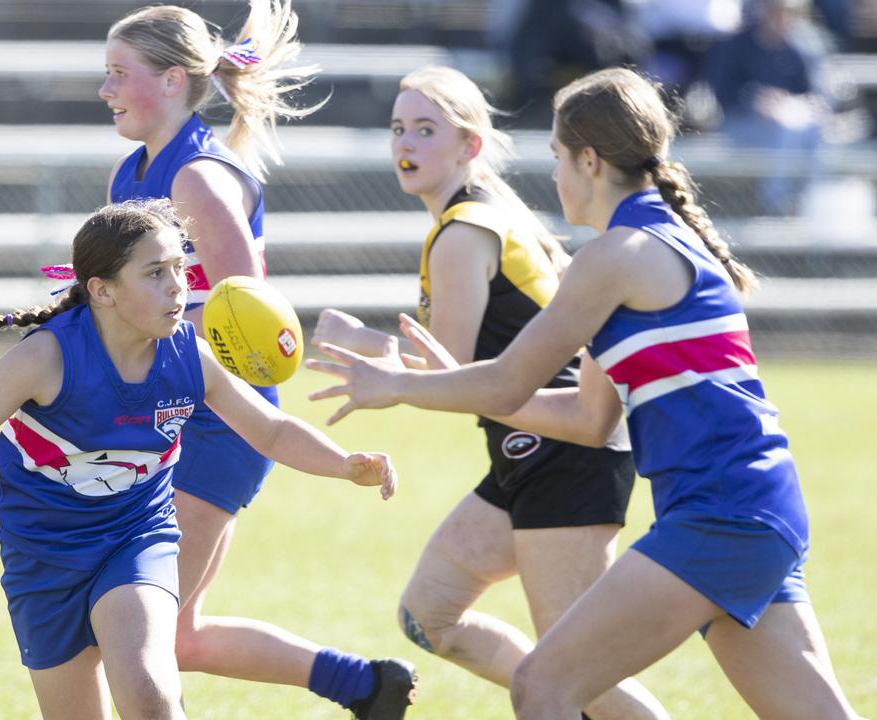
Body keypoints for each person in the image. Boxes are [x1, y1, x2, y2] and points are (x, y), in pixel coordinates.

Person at [308, 67, 866, 719]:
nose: (552, 176)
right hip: (754, 510)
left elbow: (510, 378)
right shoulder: (640, 247)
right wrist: (439, 382)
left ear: (590, 161)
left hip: (722, 516)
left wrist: (400, 384)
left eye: (556, 157)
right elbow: (585, 418)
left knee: (542, 685)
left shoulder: (615, 257)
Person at [0, 199, 397, 720]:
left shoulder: (188, 355)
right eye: (156, 273)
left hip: (135, 539)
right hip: (43, 557)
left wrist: (344, 464)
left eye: (180, 268)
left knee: (151, 695)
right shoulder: (47, 358)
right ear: (102, 290)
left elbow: (269, 429)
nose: (178, 286)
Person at [311, 65, 667, 719]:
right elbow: (459, 365)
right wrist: (370, 345)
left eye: (426, 129)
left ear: (470, 146)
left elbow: (447, 375)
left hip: (563, 452)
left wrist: (365, 344)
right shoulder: (476, 218)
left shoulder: (462, 232)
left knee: (575, 671)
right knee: (430, 615)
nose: (405, 144)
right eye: (398, 129)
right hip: (526, 451)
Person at [98, 2, 418, 717]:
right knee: (170, 635)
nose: (106, 89)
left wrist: (137, 319)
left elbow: (249, 315)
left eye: (121, 73)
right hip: (166, 415)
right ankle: (365, 686)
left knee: (136, 633)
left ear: (174, 80)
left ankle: (363, 685)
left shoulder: (197, 178)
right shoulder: (133, 170)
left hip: (218, 425)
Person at [703, 0, 830, 215]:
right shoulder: (735, 44)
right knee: (786, 131)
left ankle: (810, 201)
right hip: (739, 125)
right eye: (777, 13)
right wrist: (757, 100)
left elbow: (815, 98)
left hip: (790, 126)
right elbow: (723, 93)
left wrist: (791, 104)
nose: (782, 19)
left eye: (789, 14)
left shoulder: (798, 48)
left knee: (813, 130)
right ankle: (775, 206)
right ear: (764, 12)